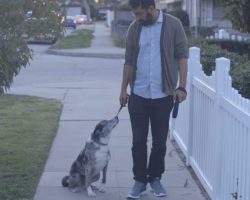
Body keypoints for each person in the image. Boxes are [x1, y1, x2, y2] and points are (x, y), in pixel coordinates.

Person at [119, 0, 188, 199]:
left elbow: (182, 56)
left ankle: (155, 178)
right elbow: (129, 60)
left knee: (159, 142)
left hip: (162, 95)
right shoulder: (135, 28)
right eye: (135, 15)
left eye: (140, 14)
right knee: (138, 142)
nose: (137, 18)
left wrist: (181, 87)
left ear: (151, 9)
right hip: (139, 94)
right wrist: (123, 89)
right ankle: (139, 181)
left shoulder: (173, 25)